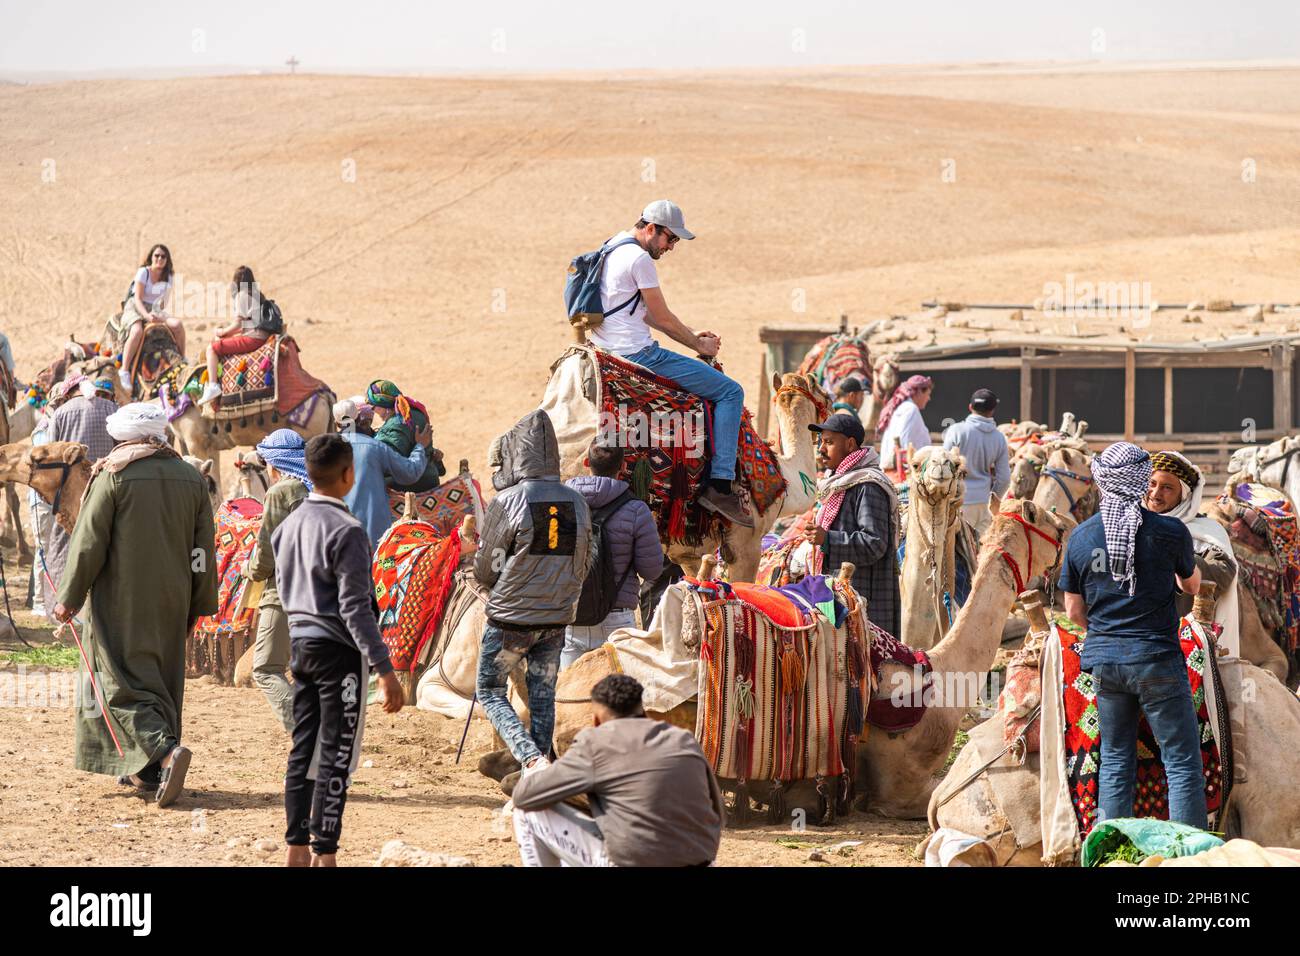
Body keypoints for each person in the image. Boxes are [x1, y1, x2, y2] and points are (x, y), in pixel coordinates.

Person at [53, 402, 217, 808]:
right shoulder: (190, 478)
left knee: (113, 681)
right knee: (159, 678)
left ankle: (164, 753)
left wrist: (68, 599)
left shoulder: (113, 476)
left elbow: (89, 544)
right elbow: (202, 552)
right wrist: (197, 603)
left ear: (122, 438)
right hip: (174, 600)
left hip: (122, 601)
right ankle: (146, 773)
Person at [1057, 441, 1206, 830]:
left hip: (1105, 663)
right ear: (1141, 481)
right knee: (1182, 762)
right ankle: (1188, 858)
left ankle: (1112, 850)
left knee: (1117, 758)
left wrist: (1108, 630)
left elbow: (1073, 611)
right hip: (1157, 659)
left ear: (1103, 481)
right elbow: (1191, 587)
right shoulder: (1171, 531)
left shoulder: (1081, 537)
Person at [273, 433, 404, 867]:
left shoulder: (287, 526)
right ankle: (325, 854)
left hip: (300, 647)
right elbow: (354, 608)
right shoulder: (348, 530)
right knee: (336, 753)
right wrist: (383, 667)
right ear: (348, 474)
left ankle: (295, 848)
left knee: (302, 748)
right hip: (339, 656)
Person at [587, 200, 752, 527]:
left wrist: (690, 333)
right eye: (670, 239)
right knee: (731, 392)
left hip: (605, 349)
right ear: (650, 228)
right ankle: (720, 484)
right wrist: (698, 344)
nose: (672, 247)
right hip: (637, 354)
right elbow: (659, 316)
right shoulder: (639, 259)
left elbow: (640, 312)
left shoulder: (611, 247)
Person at [472, 410, 594, 772]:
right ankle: (538, 770)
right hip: (556, 621)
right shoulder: (578, 502)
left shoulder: (508, 501)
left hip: (511, 623)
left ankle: (530, 758)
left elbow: (486, 568)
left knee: (491, 691)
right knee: (542, 695)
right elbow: (585, 561)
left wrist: (506, 585)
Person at [511, 674, 724, 867]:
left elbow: (523, 796)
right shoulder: (683, 739)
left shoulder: (594, 741)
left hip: (633, 863)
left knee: (526, 812)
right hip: (701, 861)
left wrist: (545, 769)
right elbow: (718, 813)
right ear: (644, 711)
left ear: (595, 720)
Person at [562, 441, 663, 668]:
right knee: (623, 700)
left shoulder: (561, 504)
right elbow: (652, 570)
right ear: (624, 466)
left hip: (569, 618)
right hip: (617, 622)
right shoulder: (636, 509)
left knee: (566, 698)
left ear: (587, 463)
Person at [803, 412, 901, 637]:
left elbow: (874, 543)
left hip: (863, 596)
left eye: (829, 442)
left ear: (849, 444)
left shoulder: (868, 486)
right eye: (820, 442)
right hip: (841, 590)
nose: (821, 449)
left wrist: (827, 539)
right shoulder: (840, 484)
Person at [245, 429, 313, 732]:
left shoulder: (280, 492)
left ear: (274, 465)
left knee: (266, 669)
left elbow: (266, 550)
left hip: (286, 590)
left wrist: (250, 569)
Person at [1145, 449, 1241, 658]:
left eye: (1167, 487)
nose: (1155, 493)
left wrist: (1176, 557)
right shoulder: (1130, 525)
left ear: (1184, 494)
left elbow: (1224, 572)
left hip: (1184, 643)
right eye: (1152, 484)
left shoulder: (1206, 531)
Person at [42, 376, 119, 616]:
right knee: (105, 542)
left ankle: (60, 607)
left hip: (69, 492)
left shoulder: (61, 413)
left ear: (70, 392)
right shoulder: (113, 409)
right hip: (105, 489)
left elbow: (50, 456)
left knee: (63, 543)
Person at [339, 405, 428, 549]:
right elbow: (410, 472)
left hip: (335, 531)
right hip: (373, 533)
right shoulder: (374, 446)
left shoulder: (321, 448)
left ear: (336, 423)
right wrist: (420, 447)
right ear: (358, 418)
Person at [198, 266, 273, 406]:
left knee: (212, 349)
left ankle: (213, 385)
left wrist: (221, 332)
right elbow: (247, 324)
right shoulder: (257, 294)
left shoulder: (242, 295)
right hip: (260, 336)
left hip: (253, 339)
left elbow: (238, 324)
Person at [942, 388, 1011, 536]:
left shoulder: (956, 431)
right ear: (992, 411)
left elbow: (944, 466)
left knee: (956, 551)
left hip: (958, 501)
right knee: (979, 554)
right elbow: (1004, 479)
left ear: (970, 407)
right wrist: (992, 496)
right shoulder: (999, 438)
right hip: (984, 504)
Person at [119, 244, 185, 391]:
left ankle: (182, 360)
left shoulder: (169, 277)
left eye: (163, 256)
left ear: (167, 260)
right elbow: (137, 298)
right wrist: (147, 316)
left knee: (177, 325)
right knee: (136, 331)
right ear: (151, 257)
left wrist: (158, 315)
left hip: (154, 309)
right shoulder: (144, 272)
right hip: (136, 306)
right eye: (157, 255)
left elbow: (163, 303)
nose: (160, 259)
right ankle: (124, 370)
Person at [878, 374, 934, 473]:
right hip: (902, 473)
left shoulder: (901, 408)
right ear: (919, 392)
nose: (929, 398)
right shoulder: (910, 409)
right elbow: (904, 442)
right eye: (928, 394)